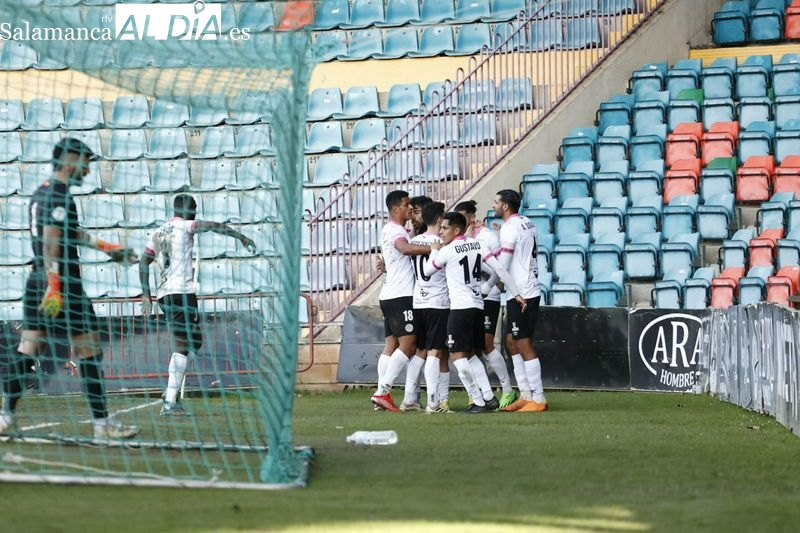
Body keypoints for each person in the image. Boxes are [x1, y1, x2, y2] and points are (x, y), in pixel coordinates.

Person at [0, 138, 139, 439]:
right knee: (89, 351)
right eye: (85, 163)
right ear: (70, 160)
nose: (87, 170)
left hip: (38, 280)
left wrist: (108, 248)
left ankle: (5, 417)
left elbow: (67, 233)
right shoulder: (59, 195)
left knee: (29, 349)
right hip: (62, 285)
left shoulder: (42, 192)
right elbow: (51, 242)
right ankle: (102, 425)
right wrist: (55, 288)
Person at [139, 193, 255, 416]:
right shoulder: (185, 226)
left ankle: (170, 391)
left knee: (195, 341)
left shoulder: (158, 232)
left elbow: (143, 262)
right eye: (193, 208)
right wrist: (239, 236)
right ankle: (170, 402)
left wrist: (147, 295)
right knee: (183, 344)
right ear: (186, 210)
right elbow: (212, 226)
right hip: (181, 293)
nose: (195, 212)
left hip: (165, 294)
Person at [424, 212, 526, 413]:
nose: (441, 232)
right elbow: (499, 269)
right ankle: (489, 397)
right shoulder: (477, 245)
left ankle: (478, 401)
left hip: (460, 308)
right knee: (471, 355)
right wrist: (516, 293)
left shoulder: (447, 250)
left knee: (457, 356)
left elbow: (428, 271)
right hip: (478, 306)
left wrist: (434, 250)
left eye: (445, 228)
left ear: (456, 229)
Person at [371, 190, 431, 412]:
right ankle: (383, 392)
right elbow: (404, 249)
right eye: (406, 205)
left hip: (390, 294)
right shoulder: (395, 230)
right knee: (409, 345)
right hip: (401, 296)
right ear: (395, 208)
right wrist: (434, 248)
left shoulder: (396, 230)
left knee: (391, 346)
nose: (410, 208)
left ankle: (381, 397)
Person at [455, 200, 517, 409]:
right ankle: (481, 394)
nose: (459, 221)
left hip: (488, 296)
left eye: (463, 217)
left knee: (487, 344)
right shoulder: (460, 239)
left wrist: (486, 278)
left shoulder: (487, 237)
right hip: (470, 298)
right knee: (471, 348)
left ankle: (507, 390)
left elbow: (498, 269)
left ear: (473, 217)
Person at [492, 189, 548, 412]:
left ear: (505, 206)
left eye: (496, 202)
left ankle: (539, 398)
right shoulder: (527, 222)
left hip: (522, 292)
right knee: (511, 341)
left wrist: (492, 284)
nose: (494, 206)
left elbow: (503, 264)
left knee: (523, 343)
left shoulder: (510, 227)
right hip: (524, 288)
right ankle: (525, 394)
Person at [408, 202, 452, 413]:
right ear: (440, 219)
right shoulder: (441, 244)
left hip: (418, 301)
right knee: (435, 352)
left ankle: (408, 398)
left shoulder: (414, 241)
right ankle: (433, 402)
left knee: (420, 351)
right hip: (437, 302)